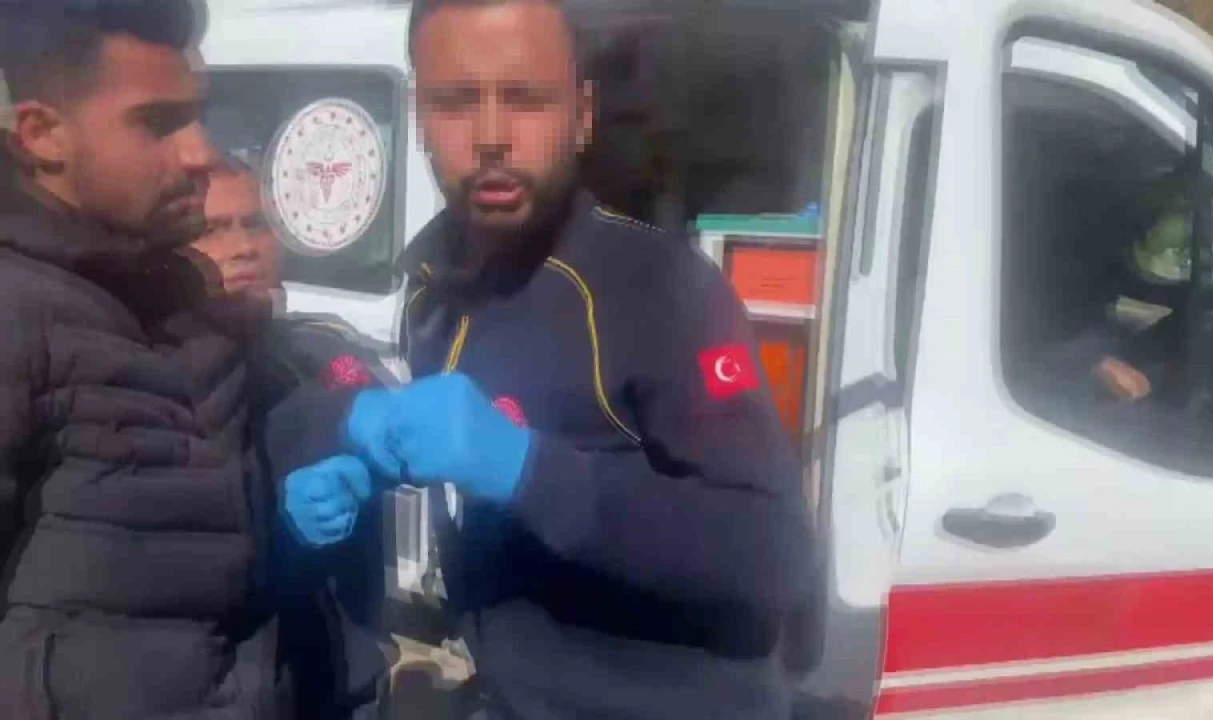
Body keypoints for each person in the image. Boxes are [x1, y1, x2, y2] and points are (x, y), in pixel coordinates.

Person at [276, 0, 815, 718]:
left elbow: (774, 555)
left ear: (582, 115)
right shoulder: (430, 287)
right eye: (455, 102)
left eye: (525, 98)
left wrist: (527, 469)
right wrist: (373, 472)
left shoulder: (661, 288)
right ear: (418, 116)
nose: (491, 137)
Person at [0, 3, 294, 717]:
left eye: (197, 116)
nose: (200, 153)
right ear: (43, 135)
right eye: (158, 123)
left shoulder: (178, 290)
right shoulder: (17, 313)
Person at [193, 155, 395, 720]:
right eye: (213, 229)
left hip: (339, 683)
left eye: (255, 224)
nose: (243, 247)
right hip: (224, 691)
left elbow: (388, 425)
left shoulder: (322, 351)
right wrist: (275, 545)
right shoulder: (149, 379)